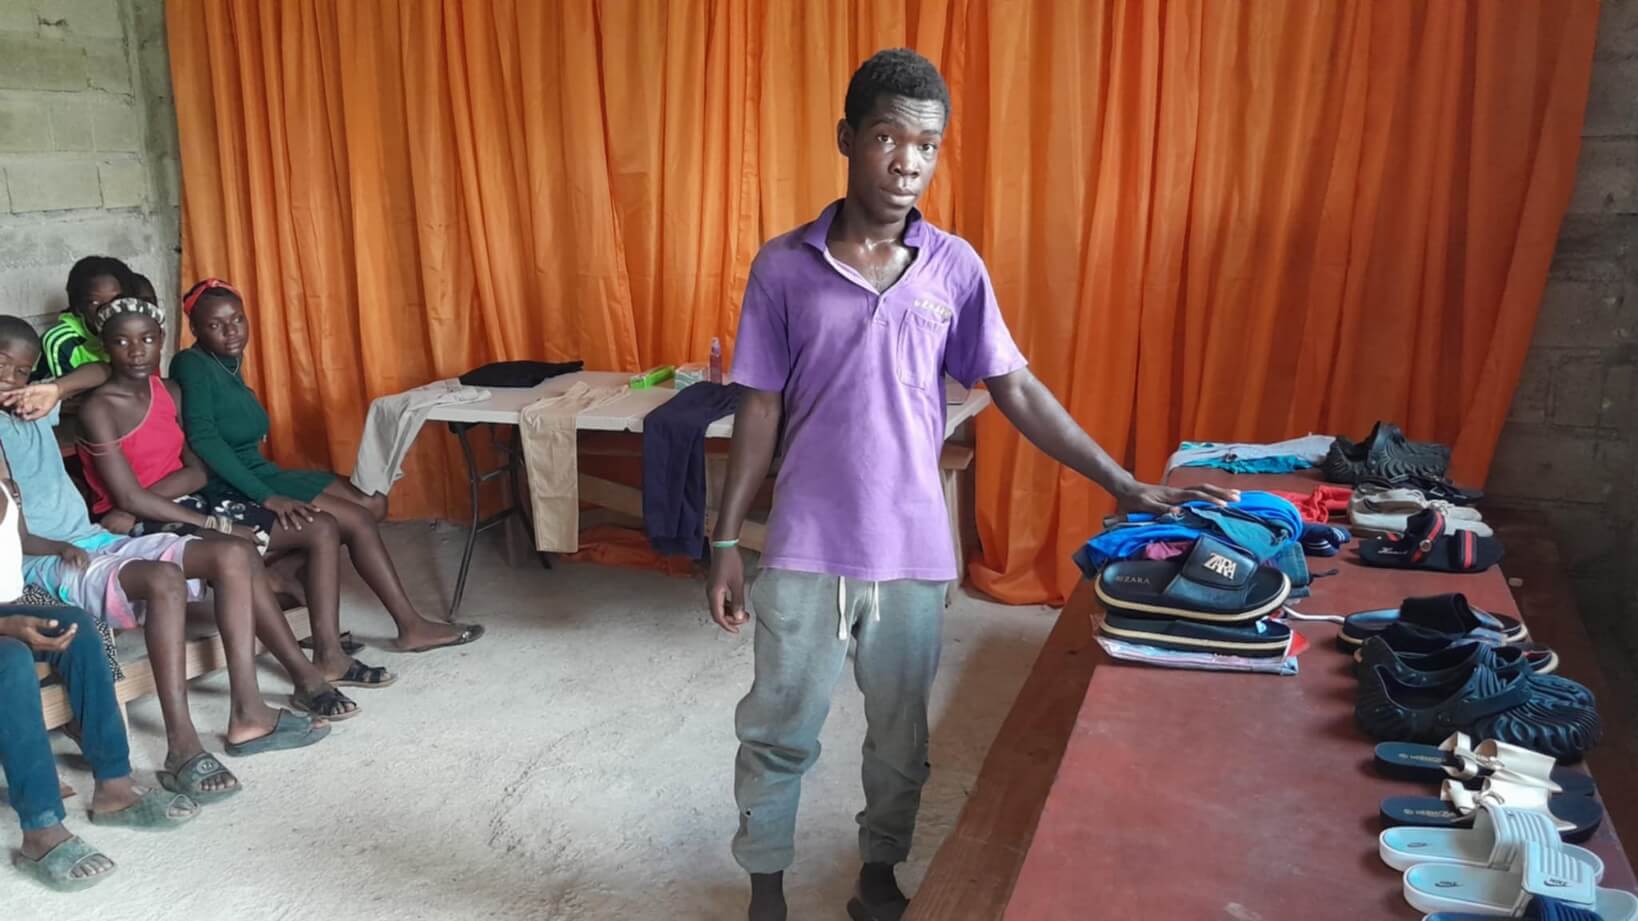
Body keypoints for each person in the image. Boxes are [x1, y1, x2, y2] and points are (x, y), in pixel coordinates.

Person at [706, 49, 1238, 921]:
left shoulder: (953, 268)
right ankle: (766, 888)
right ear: (847, 138)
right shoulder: (784, 266)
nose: (907, 163)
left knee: (901, 739)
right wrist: (727, 539)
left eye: (927, 146)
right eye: (888, 138)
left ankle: (878, 875)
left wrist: (1124, 482)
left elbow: (1015, 388)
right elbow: (758, 407)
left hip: (914, 549)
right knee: (778, 727)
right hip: (805, 545)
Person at [0, 315, 329, 808]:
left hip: (94, 538)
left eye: (22, 371)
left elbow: (99, 369)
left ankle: (249, 714)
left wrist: (53, 389)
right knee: (163, 579)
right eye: (1, 365)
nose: (10, 379)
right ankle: (182, 746)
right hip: (42, 562)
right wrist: (57, 546)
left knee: (234, 553)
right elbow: (17, 534)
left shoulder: (34, 408)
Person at [78, 297, 385, 717]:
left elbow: (197, 471)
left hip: (181, 501)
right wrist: (207, 520)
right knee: (237, 551)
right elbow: (128, 500)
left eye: (147, 339)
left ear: (162, 339)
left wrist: (152, 497)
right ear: (105, 346)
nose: (136, 352)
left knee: (321, 526)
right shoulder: (98, 408)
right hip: (138, 523)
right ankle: (304, 678)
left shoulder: (168, 392)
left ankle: (329, 653)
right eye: (122, 342)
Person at [170, 278, 482, 654]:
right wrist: (267, 497)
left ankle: (282, 574)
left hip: (261, 469)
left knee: (373, 502)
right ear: (195, 329)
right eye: (215, 325)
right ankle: (410, 627)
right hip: (237, 482)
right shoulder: (191, 363)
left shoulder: (229, 361)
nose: (230, 331)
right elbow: (204, 440)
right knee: (359, 519)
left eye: (237, 319)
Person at [1, 442, 198, 891]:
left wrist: (59, 549)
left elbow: (19, 540)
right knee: (10, 659)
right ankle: (41, 829)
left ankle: (114, 785)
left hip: (7, 604)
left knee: (79, 626)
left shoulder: (3, 472)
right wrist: (7, 626)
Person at [31, 256, 132, 383]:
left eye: (116, 300)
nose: (107, 310)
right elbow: (68, 392)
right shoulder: (61, 341)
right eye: (94, 302)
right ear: (78, 308)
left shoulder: (137, 331)